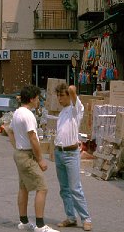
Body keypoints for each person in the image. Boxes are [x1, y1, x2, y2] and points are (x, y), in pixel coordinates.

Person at [6, 84, 59, 232]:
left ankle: (23, 222)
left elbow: (9, 131)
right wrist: (41, 159)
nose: (38, 102)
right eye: (37, 99)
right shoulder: (28, 115)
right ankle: (40, 226)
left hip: (19, 153)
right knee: (42, 187)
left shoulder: (17, 113)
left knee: (23, 187)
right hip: (27, 155)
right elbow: (33, 138)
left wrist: (17, 147)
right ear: (31, 99)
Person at [54, 83, 92, 231]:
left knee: (75, 188)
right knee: (64, 189)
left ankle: (86, 218)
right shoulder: (62, 113)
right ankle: (71, 217)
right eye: (58, 95)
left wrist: (71, 91)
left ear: (68, 96)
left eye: (62, 95)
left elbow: (74, 94)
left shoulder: (76, 110)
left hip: (71, 154)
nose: (59, 98)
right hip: (59, 152)